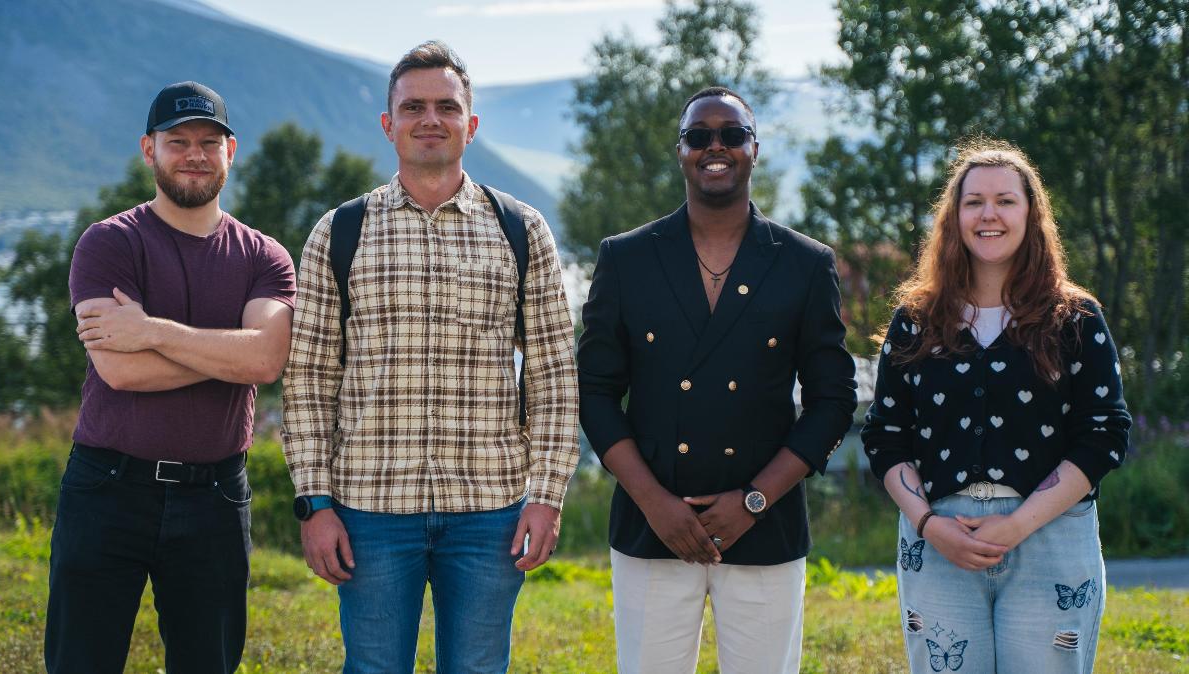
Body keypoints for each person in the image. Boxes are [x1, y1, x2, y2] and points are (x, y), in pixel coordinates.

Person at [280, 41, 579, 674]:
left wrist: (546, 494)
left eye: (447, 106)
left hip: (490, 511)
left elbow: (554, 372)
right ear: (388, 125)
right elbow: (308, 378)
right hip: (368, 510)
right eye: (412, 106)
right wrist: (315, 502)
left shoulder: (521, 231)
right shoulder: (340, 232)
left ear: (471, 124)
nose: (430, 119)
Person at [577, 86, 858, 674]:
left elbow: (832, 401)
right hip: (652, 527)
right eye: (698, 135)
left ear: (755, 150)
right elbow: (596, 393)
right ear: (680, 152)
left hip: (766, 525)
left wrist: (753, 501)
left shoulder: (805, 263)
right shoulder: (626, 258)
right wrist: (654, 504)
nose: (715, 146)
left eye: (732, 135)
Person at [51, 81, 296, 673]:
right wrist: (223, 356)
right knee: (80, 662)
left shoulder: (265, 257)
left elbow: (266, 361)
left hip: (214, 496)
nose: (194, 154)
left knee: (208, 664)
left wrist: (153, 331)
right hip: (107, 487)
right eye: (178, 141)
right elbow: (120, 369)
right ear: (148, 149)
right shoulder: (109, 243)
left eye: (209, 142)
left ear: (230, 152)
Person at [862, 140, 1130, 673]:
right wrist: (928, 525)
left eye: (1006, 201)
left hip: (1051, 536)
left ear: (1031, 214)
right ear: (954, 217)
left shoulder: (1075, 318)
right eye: (974, 201)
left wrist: (1017, 525)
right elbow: (885, 436)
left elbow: (1103, 434)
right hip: (938, 540)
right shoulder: (916, 320)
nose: (990, 214)